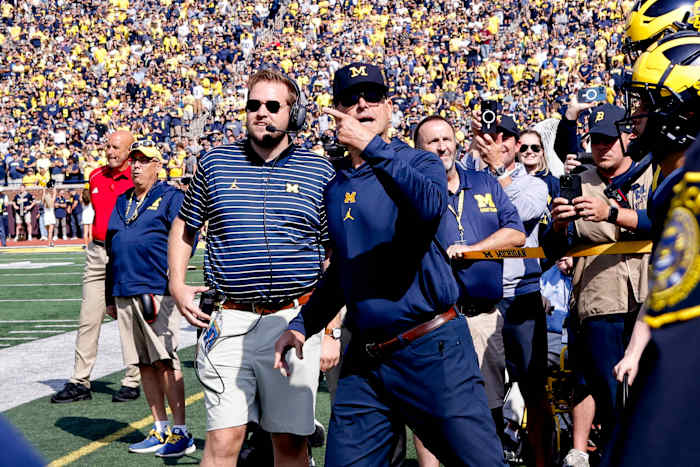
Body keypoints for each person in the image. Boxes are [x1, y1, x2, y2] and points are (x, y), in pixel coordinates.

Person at [274, 63, 505, 466]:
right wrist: (302, 325)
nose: (362, 104)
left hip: (431, 347)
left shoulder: (420, 162)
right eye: (350, 99)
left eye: (372, 96)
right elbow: (345, 271)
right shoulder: (337, 185)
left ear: (389, 107)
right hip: (366, 359)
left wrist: (373, 147)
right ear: (337, 109)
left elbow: (429, 206)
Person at [168, 69, 335, 467]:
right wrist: (176, 283)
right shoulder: (214, 164)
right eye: (254, 105)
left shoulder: (319, 171)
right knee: (224, 441)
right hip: (229, 318)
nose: (262, 113)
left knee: (291, 444)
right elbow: (184, 226)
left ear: (294, 114)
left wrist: (330, 327)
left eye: (273, 105)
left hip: (295, 319)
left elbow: (335, 255)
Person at [601, 32, 700, 467]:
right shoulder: (674, 182)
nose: (635, 115)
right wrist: (637, 348)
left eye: (646, 103)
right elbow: (673, 280)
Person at [412, 114, 526, 466]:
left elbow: (517, 234)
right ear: (418, 150)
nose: (442, 147)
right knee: (433, 414)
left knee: (488, 409)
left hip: (482, 318)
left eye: (446, 139)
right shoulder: (413, 190)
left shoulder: (483, 182)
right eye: (432, 142)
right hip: (436, 322)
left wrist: (473, 250)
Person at [544, 104, 653, 466]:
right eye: (597, 141)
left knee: (652, 392)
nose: (602, 148)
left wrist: (611, 213)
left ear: (627, 139)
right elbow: (550, 247)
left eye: (610, 141)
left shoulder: (649, 174)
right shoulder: (578, 180)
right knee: (609, 395)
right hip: (599, 301)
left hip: (650, 300)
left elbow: (668, 223)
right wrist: (560, 225)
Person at [472, 113, 552, 467]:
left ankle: (542, 461)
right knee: (481, 391)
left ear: (516, 145)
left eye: (503, 137)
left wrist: (493, 176)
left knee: (533, 389)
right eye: (487, 137)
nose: (496, 144)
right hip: (480, 298)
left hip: (521, 295)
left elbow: (503, 217)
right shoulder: (466, 178)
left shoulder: (534, 184)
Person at [106, 143, 194, 458]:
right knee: (143, 364)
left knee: (165, 361)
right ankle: (159, 427)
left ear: (158, 165)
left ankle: (181, 431)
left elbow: (186, 236)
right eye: (134, 161)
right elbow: (111, 246)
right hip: (125, 289)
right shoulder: (122, 200)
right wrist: (108, 294)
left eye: (144, 161)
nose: (136, 166)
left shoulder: (170, 197)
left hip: (156, 290)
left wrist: (176, 277)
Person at [51, 130, 141, 404]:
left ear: (129, 151)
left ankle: (132, 379)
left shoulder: (136, 177)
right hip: (97, 251)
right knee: (89, 317)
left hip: (125, 253)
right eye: (108, 147)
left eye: (116, 147)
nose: (111, 152)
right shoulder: (95, 176)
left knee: (127, 317)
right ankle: (80, 380)